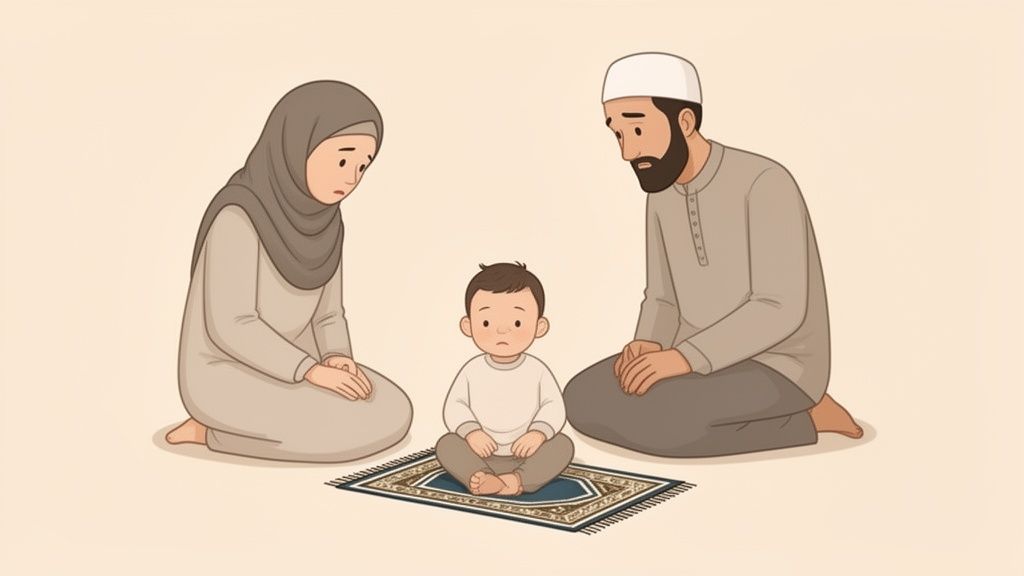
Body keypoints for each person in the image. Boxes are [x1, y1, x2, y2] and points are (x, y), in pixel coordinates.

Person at [564, 53, 862, 458]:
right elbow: (662, 295)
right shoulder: (661, 192)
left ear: (685, 122)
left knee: (668, 429)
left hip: (777, 364)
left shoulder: (765, 182)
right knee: (581, 397)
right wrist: (648, 343)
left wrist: (682, 359)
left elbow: (779, 307)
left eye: (637, 129)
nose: (627, 151)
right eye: (618, 134)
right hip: (687, 360)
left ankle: (811, 416)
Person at [165, 80, 412, 463]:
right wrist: (309, 371)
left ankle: (251, 428)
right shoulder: (238, 216)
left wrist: (336, 357)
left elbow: (329, 312)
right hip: (226, 372)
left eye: (362, 166)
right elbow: (231, 325)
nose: (351, 178)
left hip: (303, 366)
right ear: (297, 145)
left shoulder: (328, 222)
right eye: (342, 160)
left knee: (394, 409)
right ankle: (211, 432)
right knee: (338, 436)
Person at [436, 263, 573, 496]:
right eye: (487, 323)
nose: (502, 331)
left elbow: (553, 407)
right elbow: (455, 406)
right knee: (447, 444)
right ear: (468, 325)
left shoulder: (537, 370)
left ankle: (515, 481)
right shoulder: (472, 370)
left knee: (562, 445)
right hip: (480, 452)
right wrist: (471, 433)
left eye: (517, 323)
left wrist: (538, 434)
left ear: (540, 326)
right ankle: (480, 477)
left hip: (528, 453)